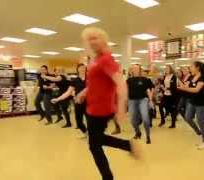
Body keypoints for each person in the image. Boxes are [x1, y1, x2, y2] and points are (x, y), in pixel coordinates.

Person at [76, 27, 141, 180]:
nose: (92, 41)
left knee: (94, 144)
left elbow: (121, 84)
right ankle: (126, 149)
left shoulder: (106, 59)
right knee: (96, 142)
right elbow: (95, 82)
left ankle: (124, 151)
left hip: (101, 108)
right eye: (89, 39)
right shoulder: (95, 60)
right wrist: (84, 92)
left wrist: (121, 109)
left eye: (95, 38)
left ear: (103, 40)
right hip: (93, 107)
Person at [178, 61, 204, 150]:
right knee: (187, 117)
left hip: (202, 103)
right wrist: (182, 86)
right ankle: (198, 131)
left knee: (200, 121)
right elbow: (187, 85)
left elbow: (196, 90)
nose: (190, 68)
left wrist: (185, 88)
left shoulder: (203, 78)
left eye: (192, 66)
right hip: (193, 101)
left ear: (198, 68)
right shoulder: (192, 76)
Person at [51, 64, 87, 135]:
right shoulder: (75, 80)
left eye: (84, 68)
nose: (82, 69)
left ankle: (92, 136)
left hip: (89, 103)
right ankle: (86, 134)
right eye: (81, 68)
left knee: (91, 122)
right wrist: (57, 99)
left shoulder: (90, 79)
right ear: (78, 69)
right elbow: (68, 92)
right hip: (78, 103)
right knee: (79, 123)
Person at [127, 64, 154, 144]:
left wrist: (151, 100)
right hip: (132, 101)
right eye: (133, 69)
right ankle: (138, 132)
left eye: (137, 69)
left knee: (145, 118)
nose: (135, 70)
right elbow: (125, 91)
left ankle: (148, 136)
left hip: (143, 100)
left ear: (139, 70)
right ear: (132, 70)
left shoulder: (144, 79)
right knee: (133, 120)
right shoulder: (129, 80)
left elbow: (148, 90)